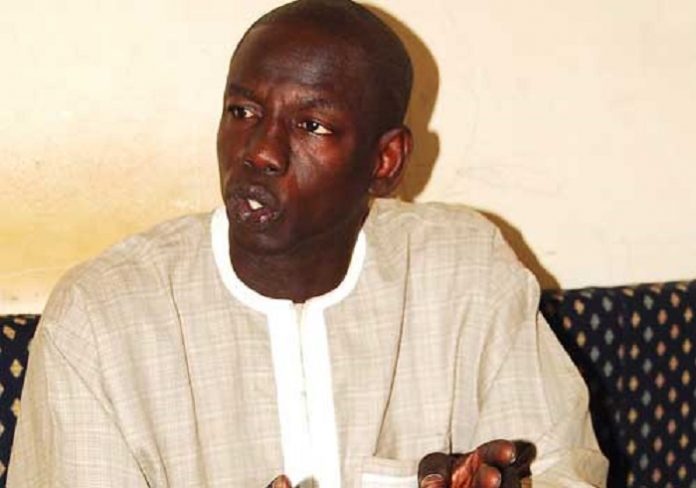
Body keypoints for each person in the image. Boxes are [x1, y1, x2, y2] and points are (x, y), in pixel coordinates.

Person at [8, 0, 608, 486]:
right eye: (242, 111)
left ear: (385, 161)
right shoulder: (102, 320)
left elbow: (562, 465)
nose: (260, 152)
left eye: (311, 125)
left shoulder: (464, 274)